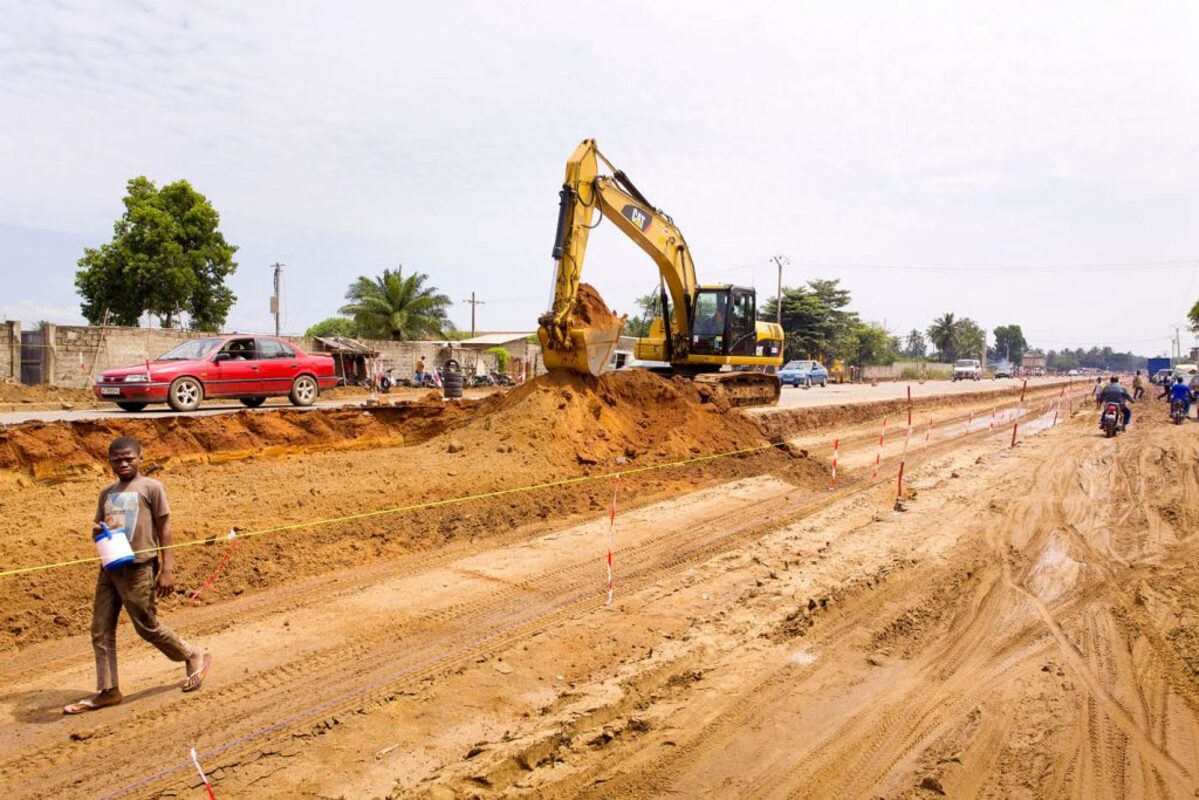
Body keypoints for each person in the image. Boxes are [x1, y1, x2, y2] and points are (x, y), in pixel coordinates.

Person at [63, 436, 211, 714]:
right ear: (109, 463)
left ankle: (191, 653)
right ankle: (108, 690)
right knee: (100, 628)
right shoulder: (107, 493)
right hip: (110, 565)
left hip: (140, 567)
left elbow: (164, 527)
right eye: (117, 459)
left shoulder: (152, 488)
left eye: (129, 458)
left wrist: (167, 568)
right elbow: (97, 526)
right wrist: (98, 530)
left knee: (146, 625)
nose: (123, 463)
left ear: (141, 459)